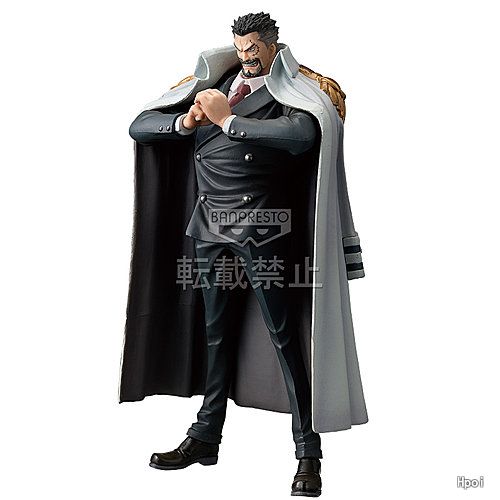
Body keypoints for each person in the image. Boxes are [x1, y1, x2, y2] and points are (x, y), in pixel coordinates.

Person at [121, 11, 368, 497]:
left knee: (286, 339)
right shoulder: (213, 85)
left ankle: (307, 451)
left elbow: (302, 136)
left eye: (253, 47)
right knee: (215, 336)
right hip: (210, 228)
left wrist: (228, 122)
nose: (246, 56)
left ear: (272, 45)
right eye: (240, 48)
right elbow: (140, 125)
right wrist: (185, 120)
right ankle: (206, 435)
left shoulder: (292, 93)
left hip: (265, 229)